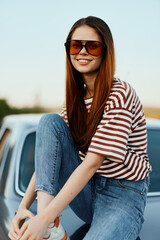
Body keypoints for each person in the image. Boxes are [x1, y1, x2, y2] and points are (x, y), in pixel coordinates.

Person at [8, 16, 151, 240]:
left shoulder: (120, 93)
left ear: (105, 51)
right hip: (86, 193)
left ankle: (47, 221)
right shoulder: (74, 101)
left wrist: (41, 219)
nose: (83, 52)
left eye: (92, 46)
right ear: (69, 51)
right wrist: (25, 209)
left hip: (123, 195)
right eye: (76, 45)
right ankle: (50, 226)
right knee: (49, 122)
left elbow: (92, 163)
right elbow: (50, 158)